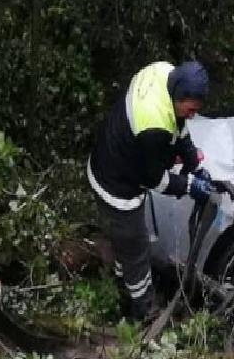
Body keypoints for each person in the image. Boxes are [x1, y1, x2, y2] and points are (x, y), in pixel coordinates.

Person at [88, 60, 213, 320]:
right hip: (116, 185)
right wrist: (189, 186)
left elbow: (179, 129)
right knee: (136, 248)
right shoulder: (154, 125)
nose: (192, 115)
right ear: (179, 97)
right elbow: (154, 180)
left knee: (128, 245)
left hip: (108, 157)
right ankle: (144, 313)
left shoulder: (164, 72)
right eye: (190, 109)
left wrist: (194, 163)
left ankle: (122, 282)